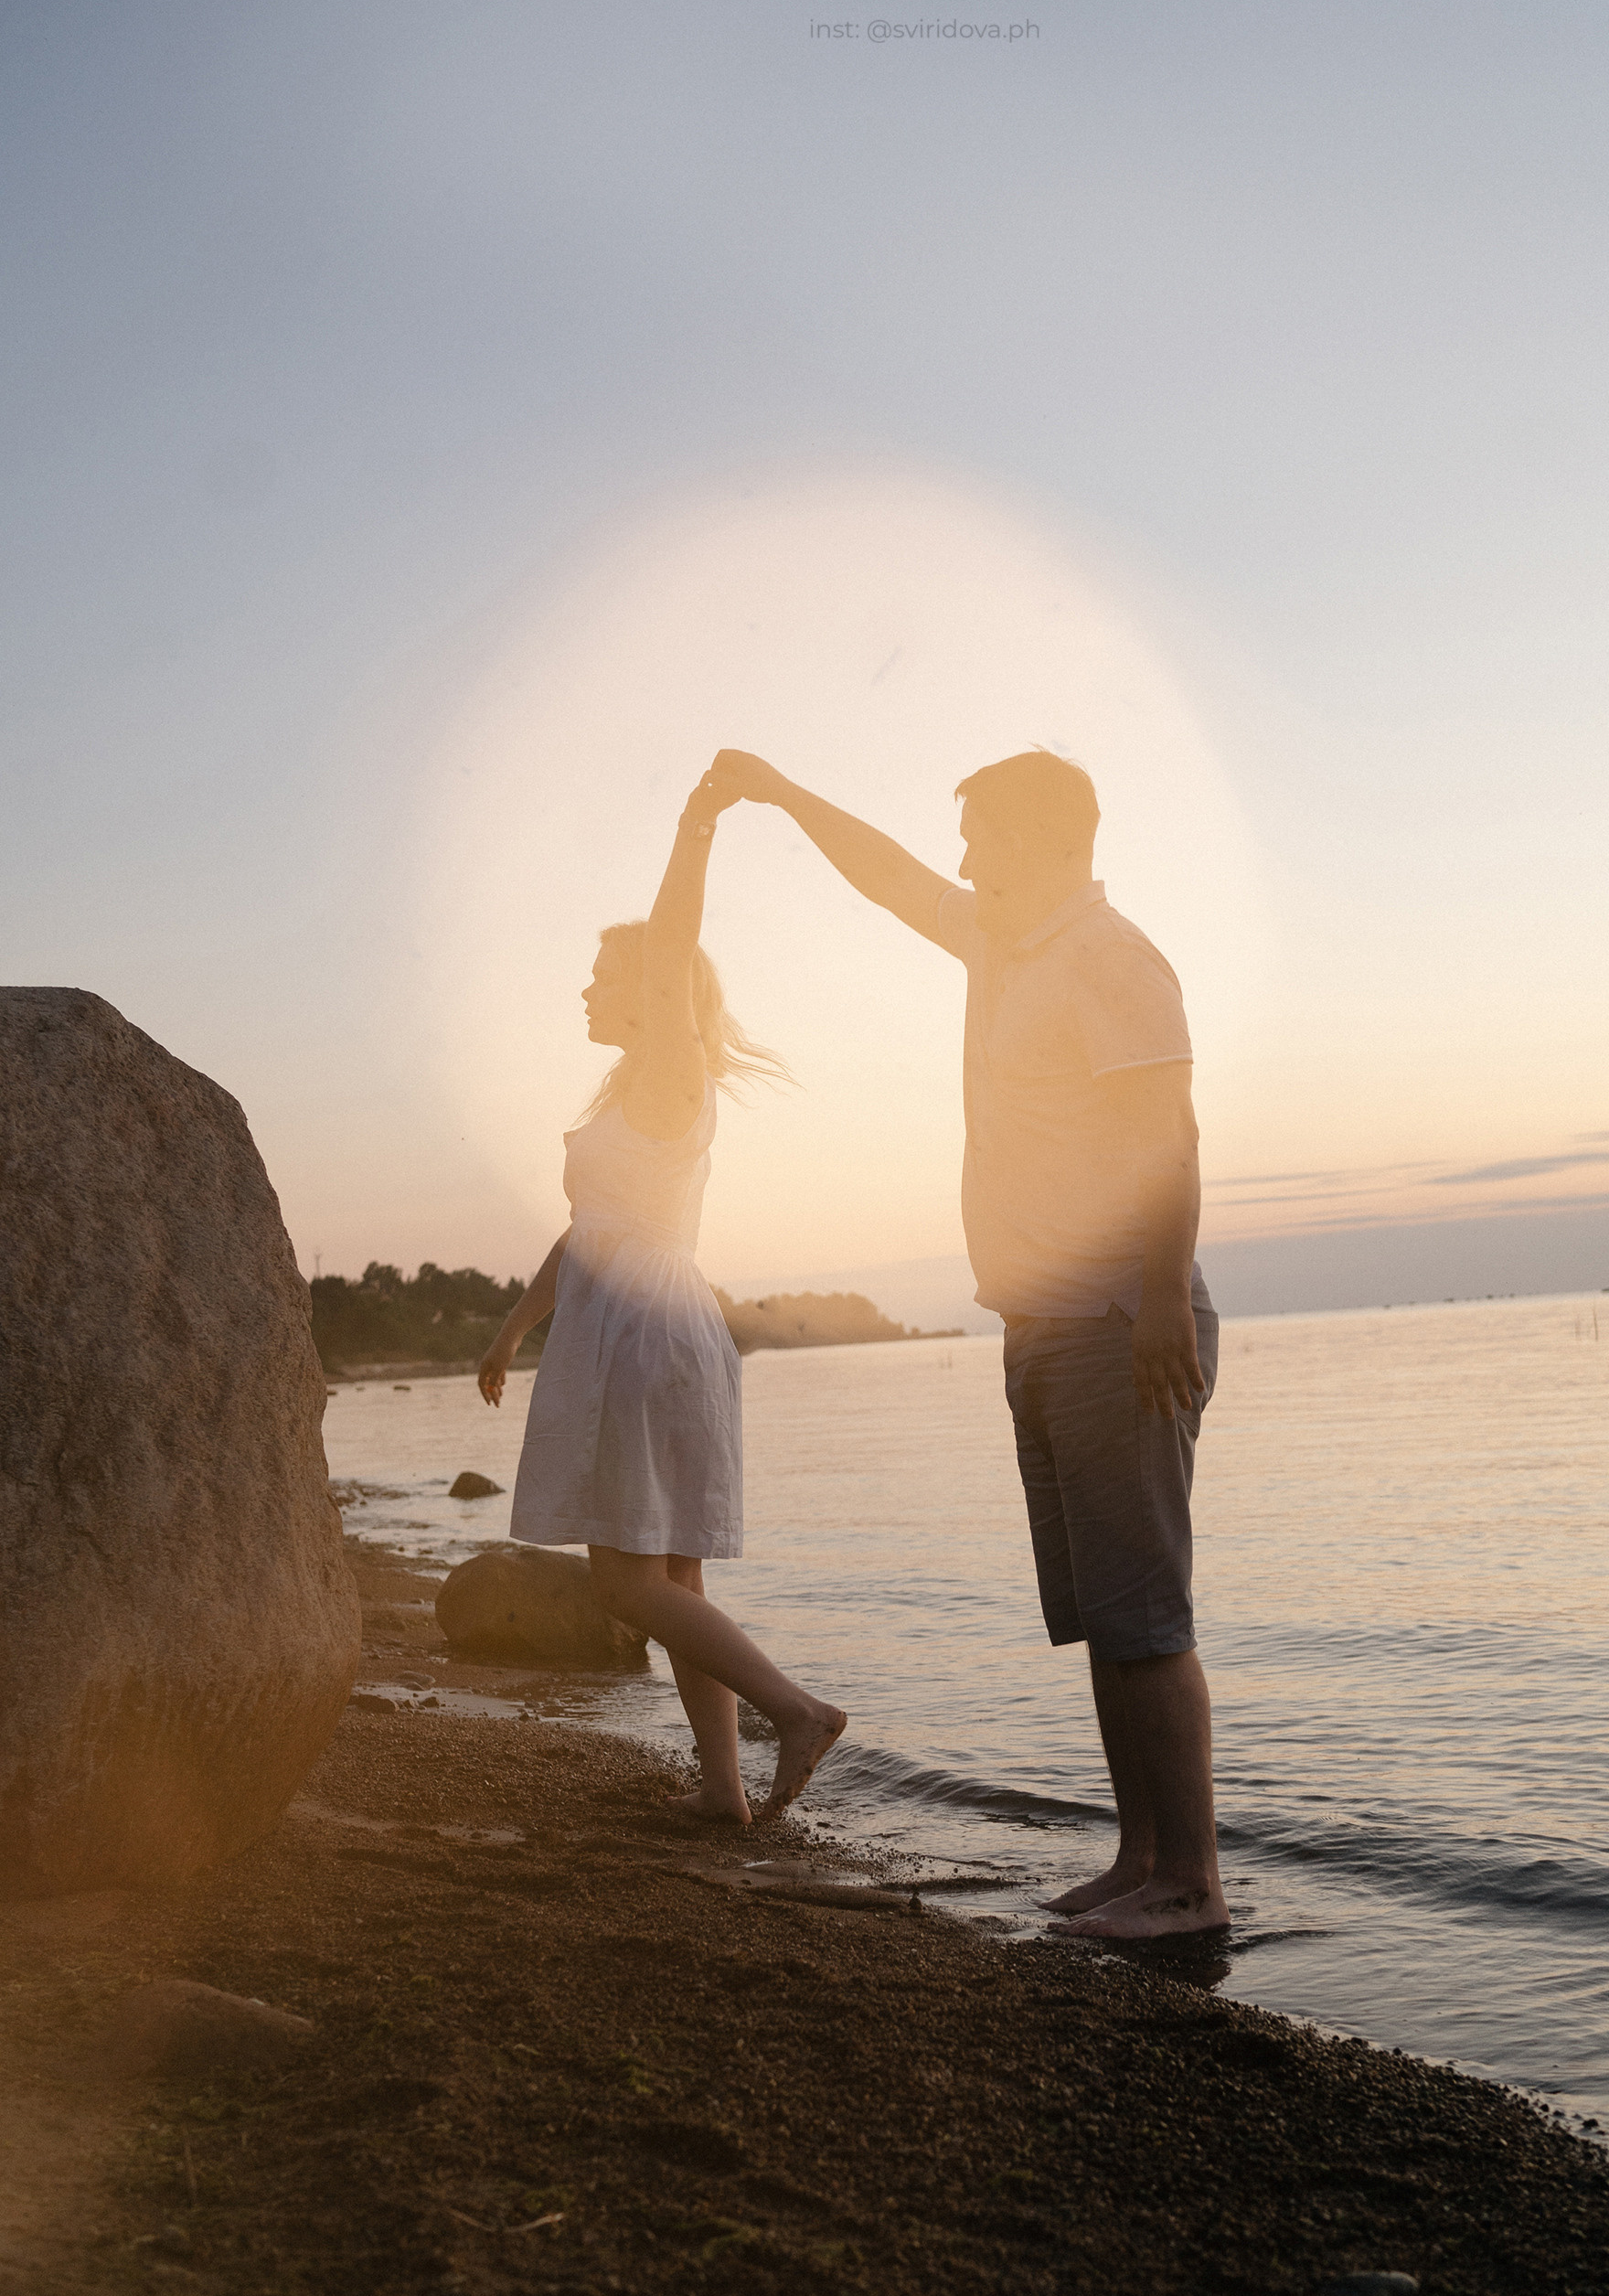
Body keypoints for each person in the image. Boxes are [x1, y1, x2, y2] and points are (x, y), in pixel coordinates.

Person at [709, 744, 1226, 1938]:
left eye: (978, 834)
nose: (960, 856)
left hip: (1118, 1319)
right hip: (1042, 1326)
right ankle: (1140, 1859)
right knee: (1106, 1620)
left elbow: (1171, 1140)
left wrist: (1158, 1300)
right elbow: (887, 875)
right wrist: (782, 793)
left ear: (1042, 840)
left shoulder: (1114, 957)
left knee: (1147, 1619)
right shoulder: (1001, 941)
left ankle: (1193, 1884)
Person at [477, 772, 847, 1825]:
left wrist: (694, 827)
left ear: (655, 987)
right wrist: (513, 1327)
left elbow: (674, 934)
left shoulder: (670, 1071)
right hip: (641, 1325)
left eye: (602, 974)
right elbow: (584, 1234)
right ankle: (723, 1793)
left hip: (643, 1337)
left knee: (625, 1584)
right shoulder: (628, 1091)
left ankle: (797, 1711)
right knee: (674, 1583)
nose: (585, 991)